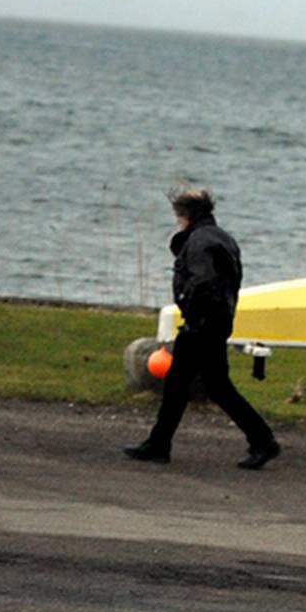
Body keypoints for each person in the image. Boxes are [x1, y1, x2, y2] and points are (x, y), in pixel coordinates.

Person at [124, 186, 280, 469]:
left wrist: (187, 305)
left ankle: (262, 440)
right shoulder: (223, 238)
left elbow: (202, 280)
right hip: (219, 319)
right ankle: (259, 440)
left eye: (179, 215)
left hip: (202, 323)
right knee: (209, 385)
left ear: (185, 216)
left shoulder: (198, 241)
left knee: (185, 383)